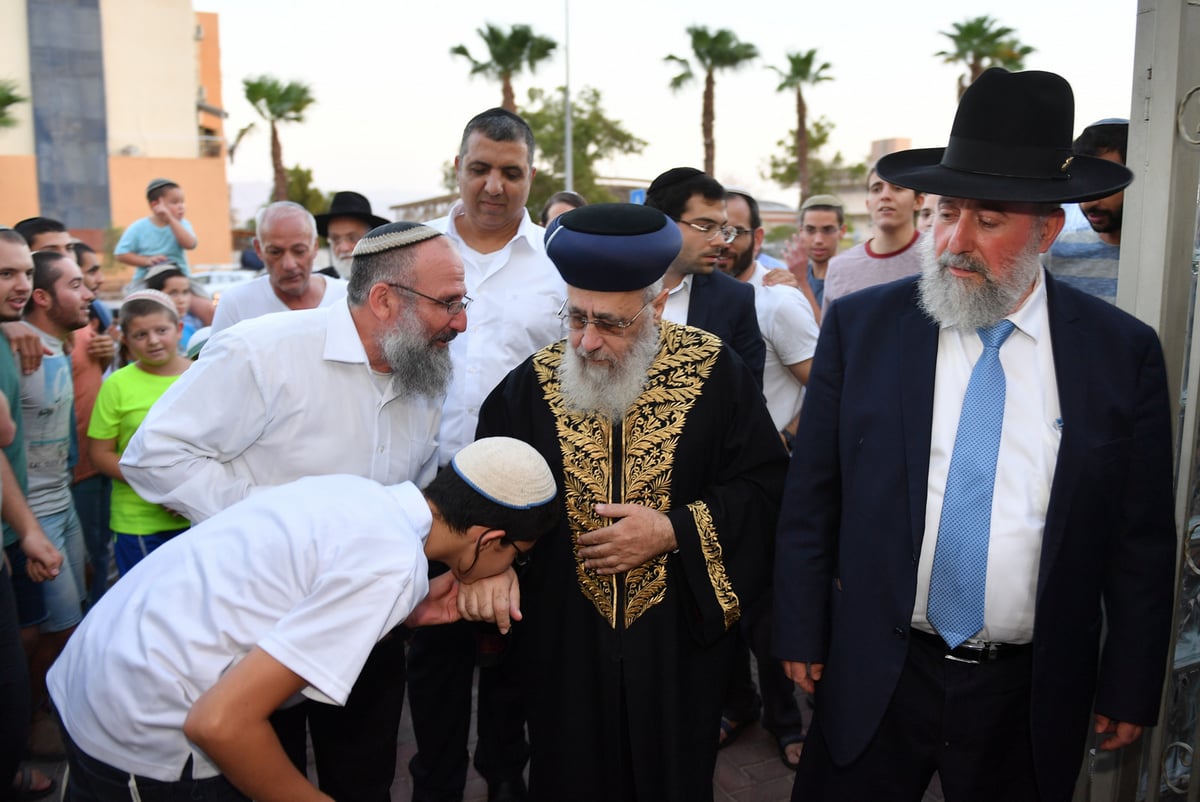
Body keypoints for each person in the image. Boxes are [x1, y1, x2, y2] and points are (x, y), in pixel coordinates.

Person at [773, 68, 1176, 802]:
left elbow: (1140, 538)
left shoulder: (1120, 355)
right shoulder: (866, 330)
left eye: (988, 220)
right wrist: (800, 628)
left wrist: (1129, 680)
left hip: (1026, 693)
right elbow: (812, 495)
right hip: (877, 672)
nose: (955, 239)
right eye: (947, 211)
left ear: (1048, 229)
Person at [120, 221, 470, 802]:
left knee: (365, 782)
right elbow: (154, 456)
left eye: (463, 302)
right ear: (385, 300)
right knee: (259, 780)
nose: (461, 322)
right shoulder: (263, 352)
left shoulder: (424, 369)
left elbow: (411, 492)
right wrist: (282, 528)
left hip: (365, 631)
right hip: (254, 628)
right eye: (449, 304)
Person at [49, 436, 559, 802]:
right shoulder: (390, 565)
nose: (512, 567)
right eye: (520, 554)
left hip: (93, 675)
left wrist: (408, 612)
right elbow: (218, 724)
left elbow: (291, 593)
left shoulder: (363, 494)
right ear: (490, 539)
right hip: (147, 727)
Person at [479, 202, 787, 801]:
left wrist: (673, 530)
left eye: (612, 323)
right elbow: (488, 502)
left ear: (658, 306)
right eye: (576, 319)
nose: (588, 341)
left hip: (677, 648)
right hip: (563, 646)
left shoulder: (714, 373)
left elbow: (766, 490)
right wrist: (487, 566)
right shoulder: (527, 388)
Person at [407, 107, 565, 802]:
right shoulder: (409, 252)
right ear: (457, 168)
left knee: (512, 668)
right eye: (480, 169)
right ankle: (435, 787)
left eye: (511, 172)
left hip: (517, 506)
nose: (493, 186)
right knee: (430, 667)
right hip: (417, 502)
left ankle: (506, 782)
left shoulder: (557, 268)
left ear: (532, 176)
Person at [715, 190, 816, 770]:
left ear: (756, 234)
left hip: (768, 487)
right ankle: (736, 705)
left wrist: (784, 437)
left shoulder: (776, 303)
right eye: (713, 230)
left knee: (767, 614)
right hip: (710, 489)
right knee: (718, 610)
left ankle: (785, 721)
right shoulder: (690, 297)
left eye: (734, 231)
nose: (723, 243)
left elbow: (824, 385)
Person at [18, 249, 94, 763]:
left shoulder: (56, 347)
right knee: (59, 626)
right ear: (42, 298)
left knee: (73, 614)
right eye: (75, 285)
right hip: (33, 512)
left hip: (62, 501)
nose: (89, 292)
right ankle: (27, 718)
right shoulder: (17, 352)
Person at [0, 227, 62, 802]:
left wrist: (26, 532)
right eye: (5, 274)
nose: (21, 285)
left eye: (24, 272)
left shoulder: (11, 336)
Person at [88, 290, 192, 575]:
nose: (154, 341)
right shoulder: (117, 385)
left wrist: (190, 490)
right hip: (139, 523)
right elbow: (100, 453)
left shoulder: (202, 375)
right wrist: (158, 487)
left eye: (161, 330)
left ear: (179, 328)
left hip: (199, 515)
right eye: (141, 335)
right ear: (126, 339)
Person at [644, 167, 765, 385]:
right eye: (706, 227)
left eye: (722, 229)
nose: (720, 241)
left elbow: (748, 400)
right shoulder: (610, 285)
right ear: (661, 222)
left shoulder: (734, 299)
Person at [211, 202, 348, 334]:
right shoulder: (236, 304)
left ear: (315, 246)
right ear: (259, 249)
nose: (289, 265)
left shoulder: (347, 297)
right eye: (275, 252)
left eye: (299, 251)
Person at [67, 241, 116, 607]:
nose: (95, 280)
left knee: (98, 558)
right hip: (58, 480)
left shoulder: (92, 328)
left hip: (93, 466)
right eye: (90, 270)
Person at [1042, 118, 1129, 304]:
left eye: (1106, 183)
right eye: (1082, 184)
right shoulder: (1057, 248)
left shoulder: (1171, 254)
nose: (1090, 200)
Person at [821, 166, 925, 314]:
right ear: (867, 204)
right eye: (876, 189)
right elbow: (832, 333)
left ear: (918, 201)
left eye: (897, 188)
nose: (885, 196)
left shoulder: (938, 259)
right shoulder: (839, 267)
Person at [113, 178, 198, 280]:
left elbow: (190, 244)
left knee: (202, 296)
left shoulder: (182, 224)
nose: (181, 206)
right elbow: (121, 254)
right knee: (134, 295)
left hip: (180, 278)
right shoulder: (138, 227)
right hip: (146, 279)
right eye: (175, 202)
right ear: (155, 204)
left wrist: (170, 220)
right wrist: (146, 260)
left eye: (182, 202)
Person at [784, 194, 846, 322]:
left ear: (842, 231)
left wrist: (802, 283)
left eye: (828, 230)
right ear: (801, 231)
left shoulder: (849, 279)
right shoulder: (795, 274)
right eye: (810, 230)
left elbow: (827, 333)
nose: (818, 240)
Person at [315, 190, 389, 279]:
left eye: (352, 238)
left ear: (372, 240)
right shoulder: (317, 285)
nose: (344, 248)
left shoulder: (393, 282)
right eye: (335, 240)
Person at [143, 263, 204, 347]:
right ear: (155, 294)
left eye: (185, 292)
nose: (181, 300)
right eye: (173, 293)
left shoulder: (195, 324)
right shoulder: (145, 331)